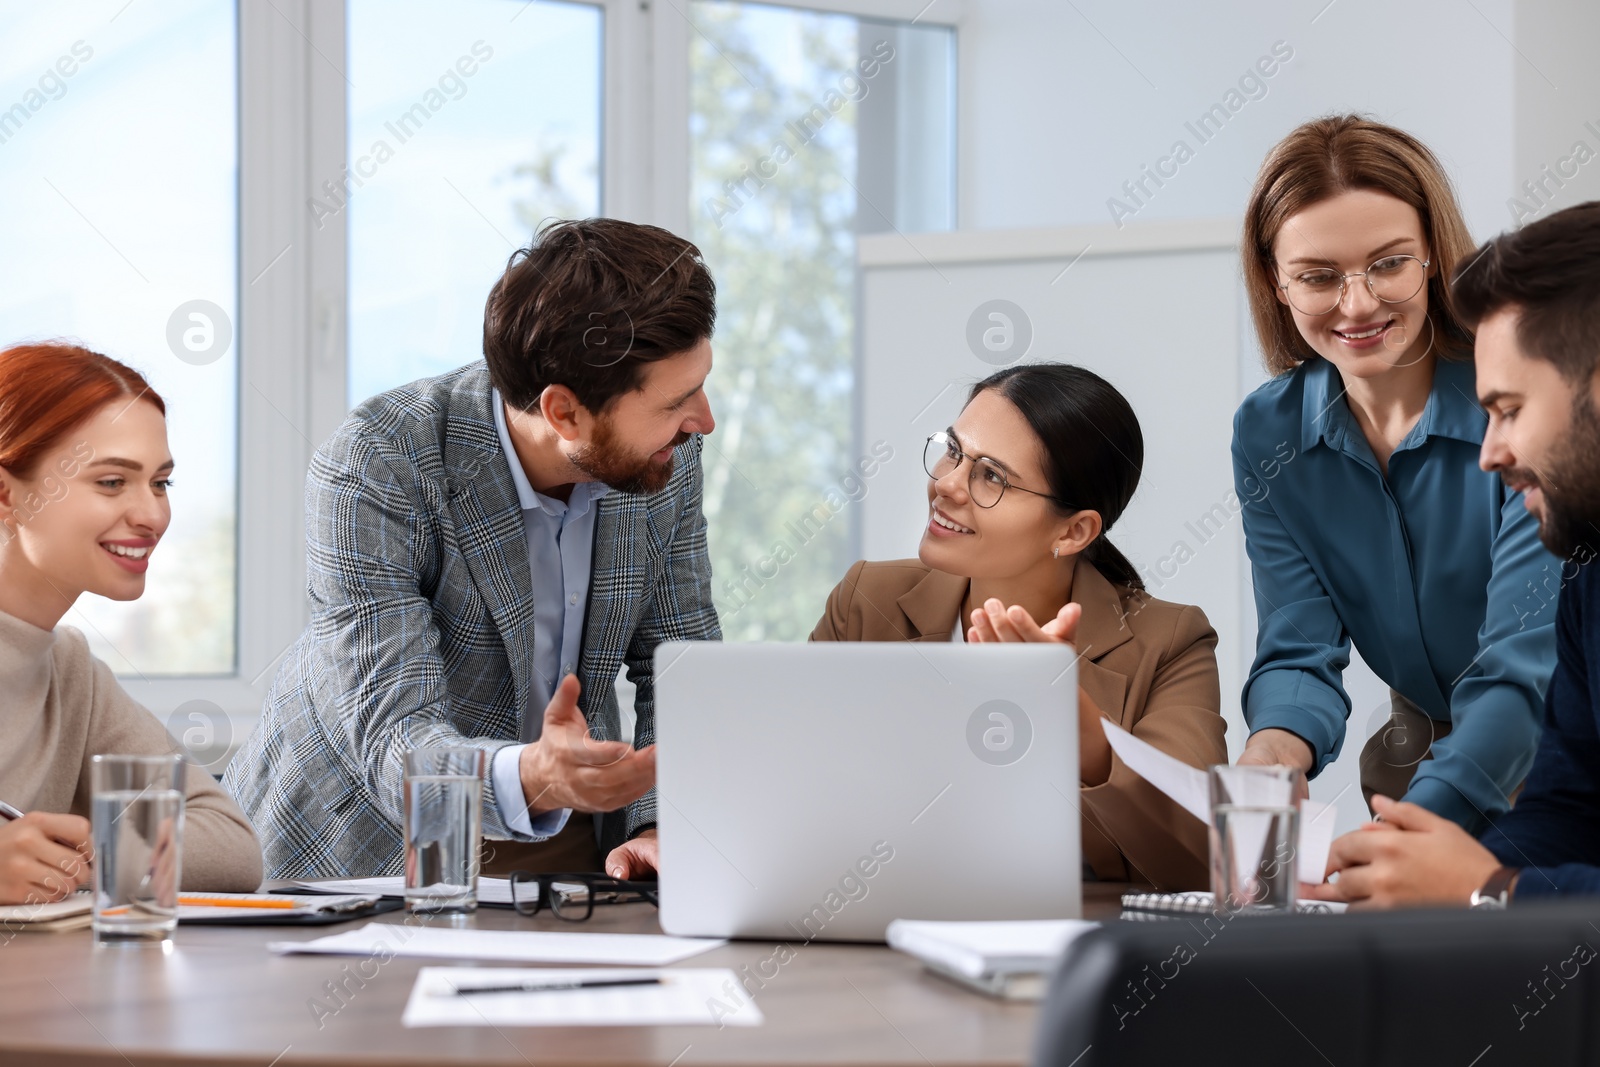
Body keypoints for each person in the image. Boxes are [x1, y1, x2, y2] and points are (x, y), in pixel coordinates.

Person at [224, 219, 720, 881]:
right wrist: (535, 776)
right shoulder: (380, 461)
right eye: (677, 400)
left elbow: (682, 662)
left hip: (572, 845)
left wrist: (658, 821)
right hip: (368, 848)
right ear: (564, 411)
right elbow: (393, 739)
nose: (704, 420)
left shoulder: (664, 458)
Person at [1232, 116, 1558, 834]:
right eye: (1318, 276)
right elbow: (1299, 645)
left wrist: (1408, 831)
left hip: (1564, 752)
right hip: (1429, 755)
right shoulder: (1270, 432)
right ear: (1276, 283)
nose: (1358, 304)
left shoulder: (1512, 399)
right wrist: (1270, 759)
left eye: (1389, 263)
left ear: (1435, 256)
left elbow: (1520, 664)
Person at [811, 363, 1227, 891]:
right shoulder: (868, 601)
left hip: (1070, 952)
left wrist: (1083, 734)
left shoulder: (1169, 643)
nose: (947, 484)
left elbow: (1200, 859)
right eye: (954, 452)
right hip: (879, 928)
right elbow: (800, 789)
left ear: (1074, 531)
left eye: (992, 476)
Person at [1305, 201, 1600, 907]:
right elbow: (1562, 814)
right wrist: (1410, 876)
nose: (1490, 452)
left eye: (1508, 409)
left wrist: (1489, 889)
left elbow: (1505, 879)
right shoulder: (1587, 583)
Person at [0, 341, 262, 904]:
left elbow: (231, 845)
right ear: (6, 494)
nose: (152, 515)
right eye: (112, 482)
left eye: (160, 482)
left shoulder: (71, 675)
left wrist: (69, 860)